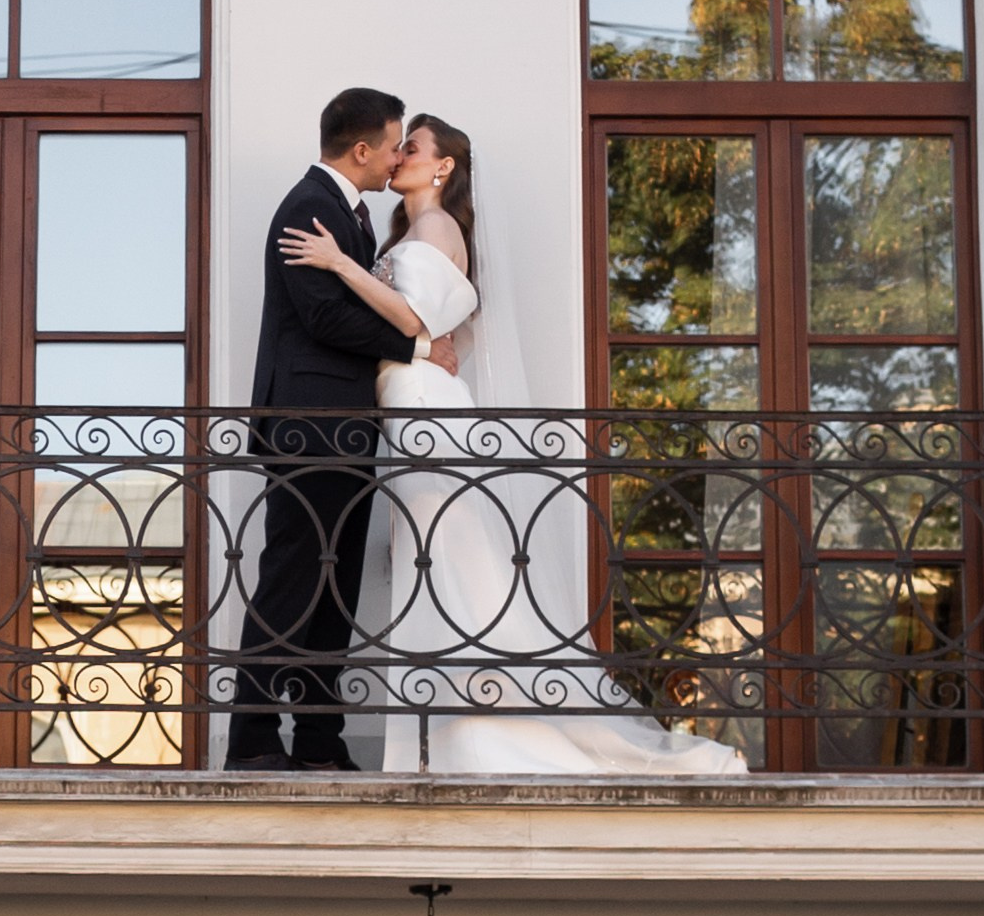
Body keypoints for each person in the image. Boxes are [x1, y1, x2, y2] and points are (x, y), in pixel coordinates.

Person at [279, 116, 748, 777]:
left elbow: (413, 320)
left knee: (456, 564)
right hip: (408, 409)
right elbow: (450, 330)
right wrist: (425, 339)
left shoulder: (438, 226)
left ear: (441, 167)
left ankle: (491, 727)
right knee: (437, 567)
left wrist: (336, 264)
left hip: (425, 413)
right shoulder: (409, 233)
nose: (398, 156)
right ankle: (449, 738)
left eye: (412, 147)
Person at [228, 88, 421, 770]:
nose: (399, 154)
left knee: (330, 582)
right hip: (307, 423)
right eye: (395, 142)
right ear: (362, 149)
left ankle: (317, 738)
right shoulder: (309, 205)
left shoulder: (349, 213)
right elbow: (321, 317)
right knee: (291, 575)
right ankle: (251, 739)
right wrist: (415, 348)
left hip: (341, 424)